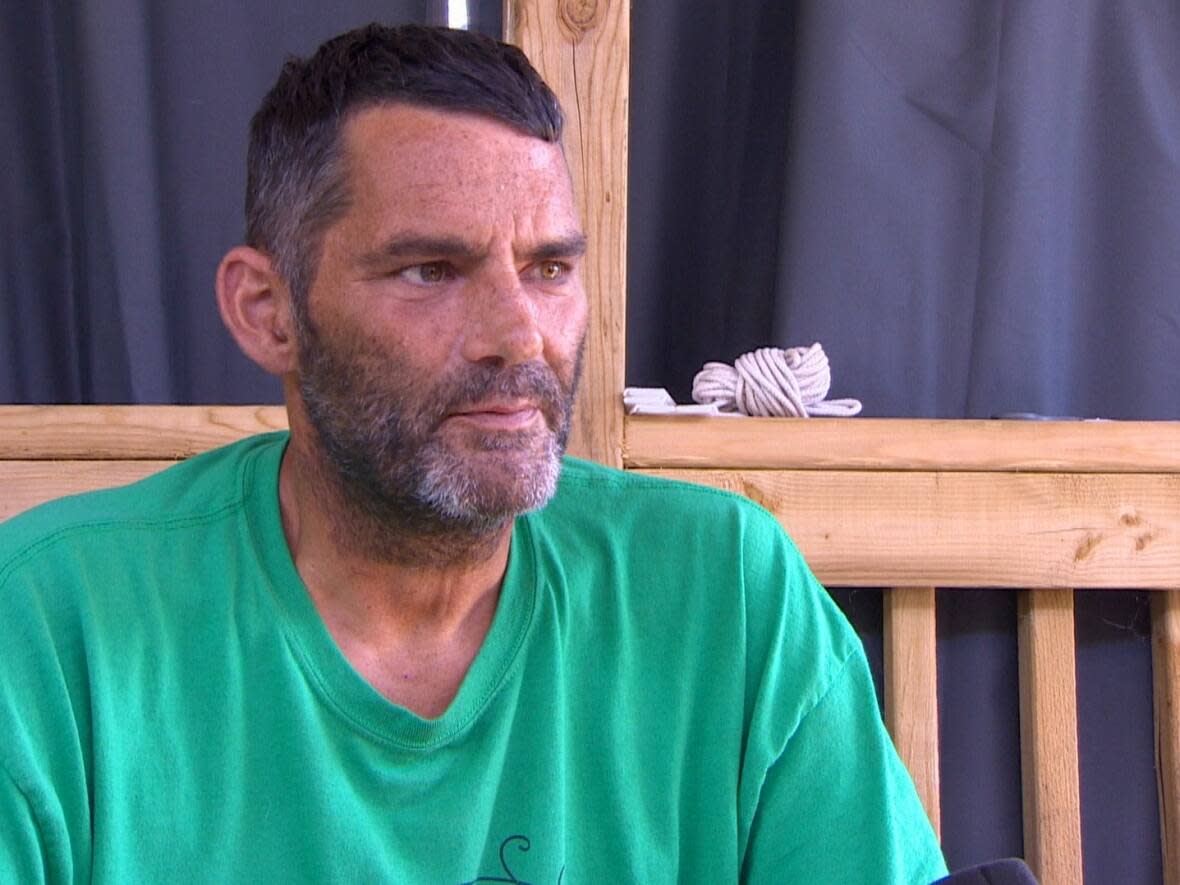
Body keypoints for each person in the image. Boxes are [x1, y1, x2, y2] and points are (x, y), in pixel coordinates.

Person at [0, 23, 946, 883]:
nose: (519, 336)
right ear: (268, 310)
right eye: (429, 270)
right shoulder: (51, 624)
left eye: (548, 269)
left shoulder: (724, 595)